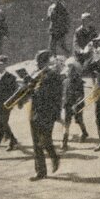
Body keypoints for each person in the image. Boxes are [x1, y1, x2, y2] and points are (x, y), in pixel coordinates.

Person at [28, 50, 62, 181]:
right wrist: (29, 85)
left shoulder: (53, 76)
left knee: (45, 141)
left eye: (40, 63)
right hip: (35, 112)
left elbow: (57, 96)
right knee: (36, 143)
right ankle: (41, 172)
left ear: (46, 62)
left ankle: (54, 157)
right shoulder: (37, 75)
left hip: (47, 113)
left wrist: (57, 115)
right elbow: (31, 92)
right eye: (38, 63)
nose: (38, 65)